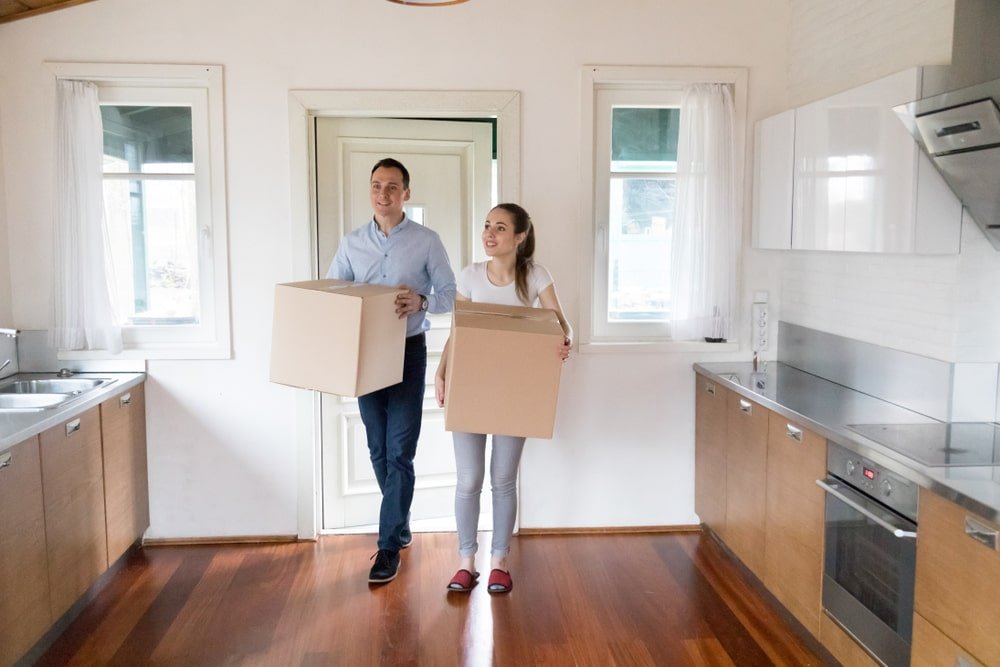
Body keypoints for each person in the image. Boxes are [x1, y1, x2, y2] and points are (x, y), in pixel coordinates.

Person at [327, 157, 456, 584]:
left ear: (406, 193)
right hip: (365, 355)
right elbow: (333, 296)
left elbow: (450, 295)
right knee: (378, 450)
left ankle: (387, 547)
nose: (383, 194)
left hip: (408, 352)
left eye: (392, 187)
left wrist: (421, 301)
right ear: (370, 191)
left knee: (400, 450)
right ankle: (399, 526)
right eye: (376, 186)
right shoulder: (350, 244)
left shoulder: (427, 241)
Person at [434, 203, 571, 594]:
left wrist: (566, 342)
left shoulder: (535, 276)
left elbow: (560, 323)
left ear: (520, 237)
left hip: (516, 392)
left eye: (499, 227)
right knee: (468, 479)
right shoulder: (471, 276)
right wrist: (442, 371)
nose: (489, 234)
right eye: (486, 226)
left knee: (502, 480)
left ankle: (499, 562)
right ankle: (465, 563)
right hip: (471, 385)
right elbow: (457, 332)